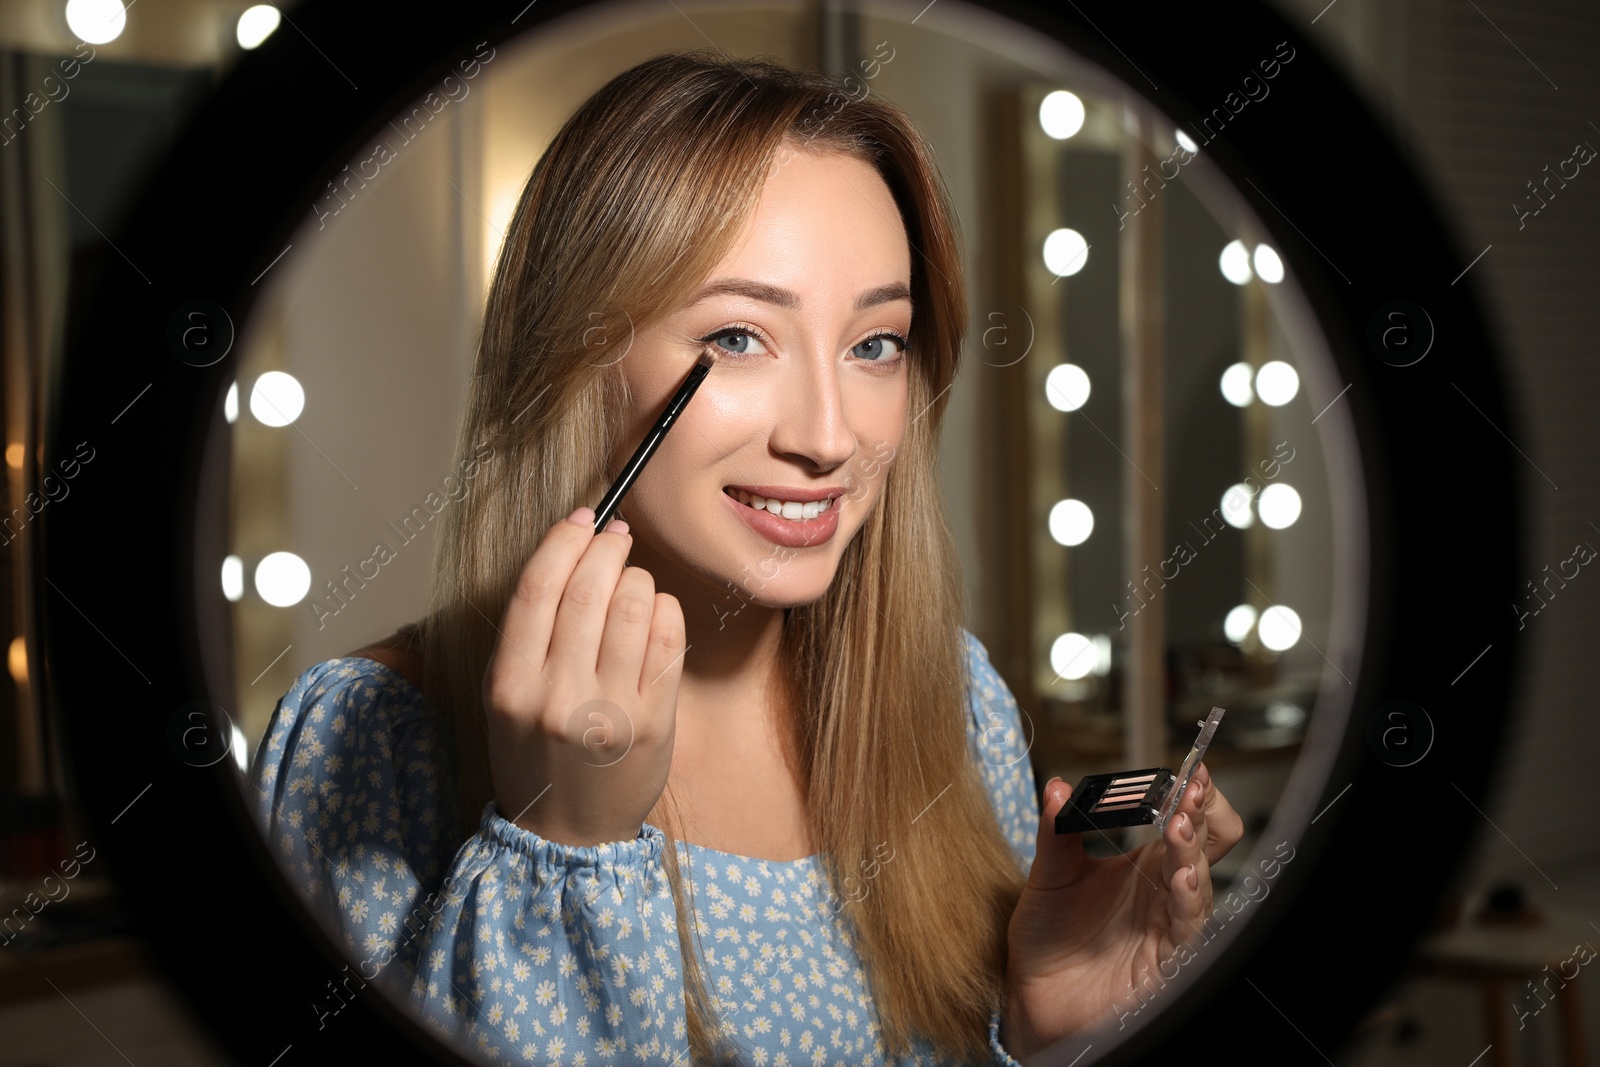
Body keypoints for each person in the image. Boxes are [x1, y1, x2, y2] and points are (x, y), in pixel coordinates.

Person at [250, 50, 1243, 1065]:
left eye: (875, 344)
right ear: (570, 360)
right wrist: (562, 854)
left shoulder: (952, 696)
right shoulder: (363, 746)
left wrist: (1045, 1029)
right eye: (736, 335)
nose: (828, 435)